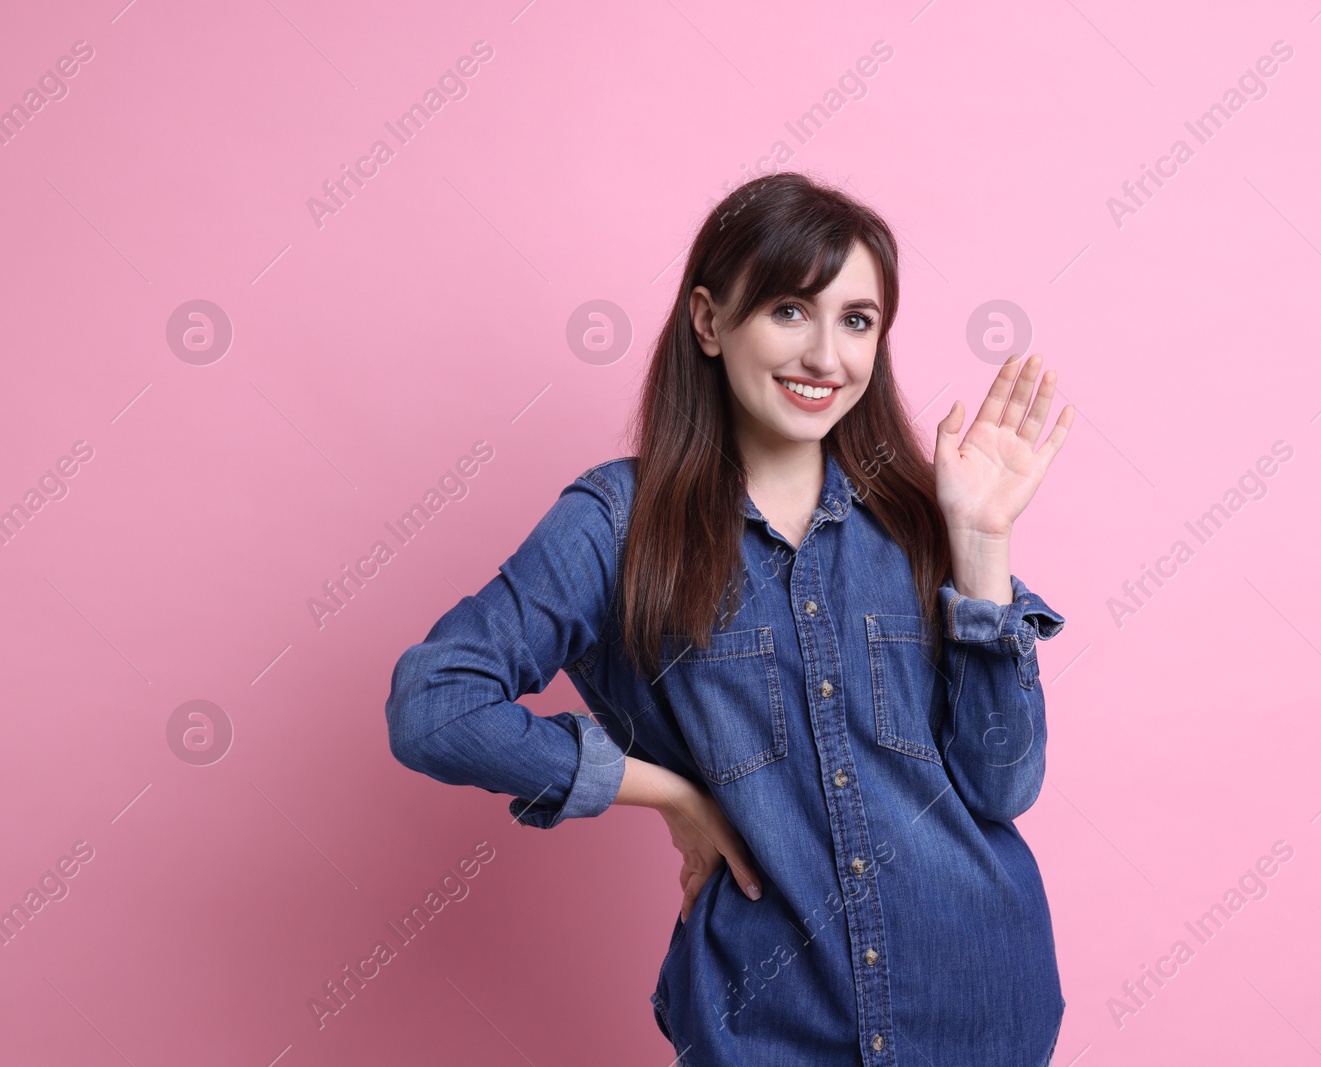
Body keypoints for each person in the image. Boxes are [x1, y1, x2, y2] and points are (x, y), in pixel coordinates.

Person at [385, 170, 1076, 1065]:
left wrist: (981, 547)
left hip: (980, 1008)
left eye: (857, 321)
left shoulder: (919, 520)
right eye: (791, 310)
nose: (827, 357)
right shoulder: (617, 524)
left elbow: (1003, 788)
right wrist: (670, 790)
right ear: (709, 322)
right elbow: (435, 706)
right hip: (767, 1027)